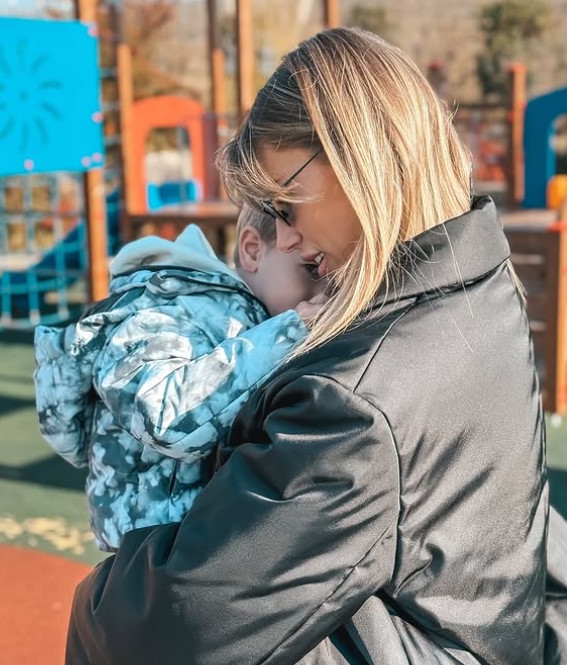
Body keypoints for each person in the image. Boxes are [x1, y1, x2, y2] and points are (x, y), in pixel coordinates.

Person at [66, 27, 554, 664]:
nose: (285, 236)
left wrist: (98, 594)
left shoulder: (353, 397)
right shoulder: (483, 284)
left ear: (355, 158)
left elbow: (177, 623)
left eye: (284, 201)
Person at [34, 205, 325, 551]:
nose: (324, 289)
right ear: (252, 250)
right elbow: (163, 416)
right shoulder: (176, 311)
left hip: (197, 541)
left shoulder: (256, 321)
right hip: (152, 548)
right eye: (312, 269)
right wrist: (289, 332)